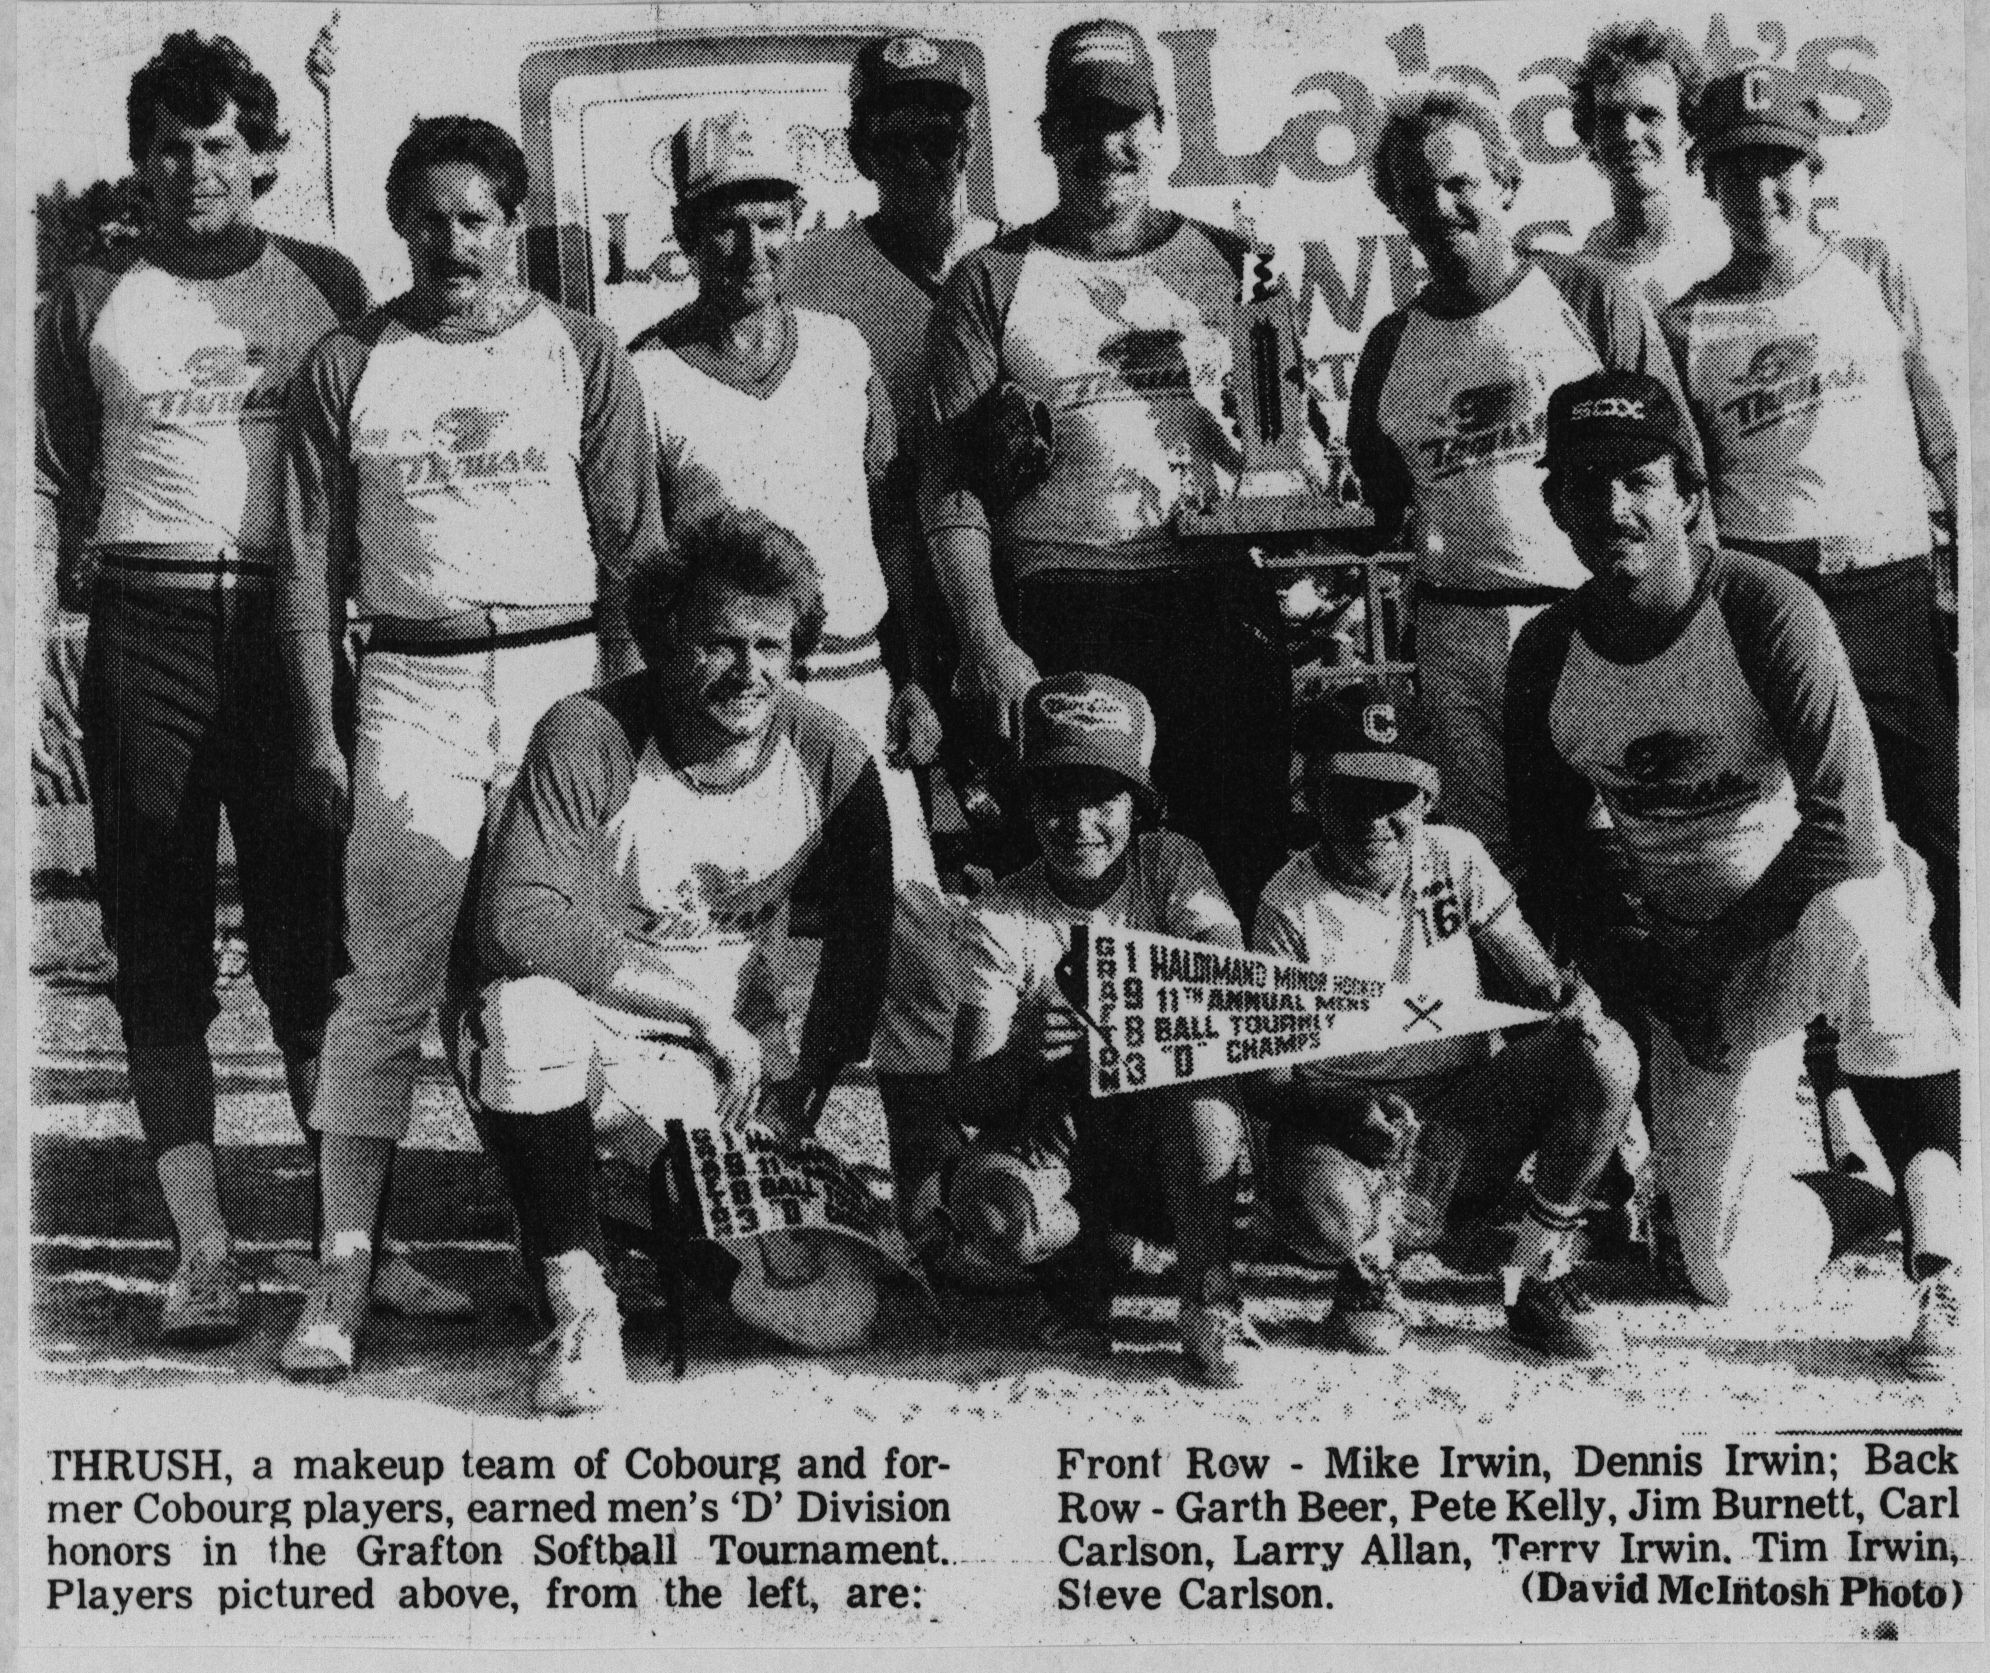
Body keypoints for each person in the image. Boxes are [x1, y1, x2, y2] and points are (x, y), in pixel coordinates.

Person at [32, 31, 457, 1344]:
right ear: (140, 159)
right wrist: (44, 648)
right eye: (170, 144)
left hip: (288, 632)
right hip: (144, 629)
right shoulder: (88, 292)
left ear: (258, 154)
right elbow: (48, 483)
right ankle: (203, 1248)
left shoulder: (320, 280)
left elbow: (378, 456)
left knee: (311, 949)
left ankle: (353, 1242)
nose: (196, 168)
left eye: (219, 142)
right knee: (155, 943)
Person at [277, 116, 661, 1379]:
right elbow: (308, 562)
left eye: (477, 217)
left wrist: (621, 719)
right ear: (400, 222)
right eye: (429, 217)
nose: (454, 240)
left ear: (513, 223)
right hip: (413, 681)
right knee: (382, 984)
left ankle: (563, 1258)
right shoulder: (349, 361)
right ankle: (340, 1263)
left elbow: (633, 553)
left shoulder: (581, 350)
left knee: (540, 971)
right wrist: (319, 728)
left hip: (558, 680)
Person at [1507, 370, 1963, 1378]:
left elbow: (1847, 829)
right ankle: (1863, 1200)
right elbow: (1558, 859)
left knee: (1864, 912)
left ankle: (1944, 1255)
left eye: (1636, 480)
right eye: (1584, 486)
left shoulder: (1762, 603)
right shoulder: (1546, 650)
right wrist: (1648, 978)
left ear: (1687, 490)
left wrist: (1707, 960)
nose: (1613, 509)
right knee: (1724, 1269)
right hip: (1689, 962)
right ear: (1554, 505)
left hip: (1789, 918)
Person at [446, 509, 895, 1412]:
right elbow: (516, 925)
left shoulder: (830, 753)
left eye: (771, 644)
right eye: (718, 643)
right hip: (584, 1029)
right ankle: (576, 1291)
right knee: (530, 1013)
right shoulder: (590, 730)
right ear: (664, 640)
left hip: (715, 1066)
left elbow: (863, 936)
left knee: (829, 1311)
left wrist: (803, 1086)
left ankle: (620, 1210)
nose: (748, 670)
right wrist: (698, 1011)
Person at [634, 104, 962, 1239]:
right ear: (683, 229)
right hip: (732, 701)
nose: (750, 249)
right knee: (743, 944)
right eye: (723, 225)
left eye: (770, 222)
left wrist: (917, 676)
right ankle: (754, 1168)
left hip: (862, 673)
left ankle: (922, 1173)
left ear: (797, 222)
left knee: (912, 929)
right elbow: (645, 571)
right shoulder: (646, 376)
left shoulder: (840, 346)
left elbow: (892, 520)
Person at [924, 18, 1328, 923]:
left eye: (1126, 121)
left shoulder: (1236, 264)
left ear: (1158, 130)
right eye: (1081, 123)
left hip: (1215, 598)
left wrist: (1277, 456)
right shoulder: (988, 279)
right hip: (1069, 605)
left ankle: (1245, 1067)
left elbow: (1290, 447)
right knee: (1080, 885)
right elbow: (949, 490)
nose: (1106, 145)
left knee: (1239, 860)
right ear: (1048, 137)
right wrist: (985, 640)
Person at [1662, 65, 1960, 1001]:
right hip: (1776, 600)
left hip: (1890, 580)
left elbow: (1942, 438)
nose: (1761, 191)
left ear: (1814, 165)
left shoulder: (1874, 271)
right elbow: (1693, 494)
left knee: (1941, 826)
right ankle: (1833, 1079)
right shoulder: (1688, 319)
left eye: (1780, 163)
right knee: (1810, 837)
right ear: (1707, 183)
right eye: (1736, 170)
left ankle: (1964, 1040)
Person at [1347, 87, 1697, 880]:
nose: (1440, 207)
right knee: (1491, 869)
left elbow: (1681, 469)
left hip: (1589, 612)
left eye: (1460, 182)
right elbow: (1373, 508)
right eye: (1414, 191)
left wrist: (1684, 627)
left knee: (1629, 855)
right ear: (1395, 209)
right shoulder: (1389, 345)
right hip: (1457, 630)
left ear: (1505, 184)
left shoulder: (1592, 294)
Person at [1249, 681, 1638, 1360]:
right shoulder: (1288, 900)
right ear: (1310, 796)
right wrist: (1345, 1111)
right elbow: (1268, 1084)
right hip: (1348, 1123)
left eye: (1393, 799)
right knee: (1325, 1215)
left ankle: (1538, 1271)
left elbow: (1538, 977)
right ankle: (1367, 1273)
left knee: (1605, 1049)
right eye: (1349, 796)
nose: (1374, 819)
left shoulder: (1454, 856)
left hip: (1458, 1109)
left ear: (1426, 799)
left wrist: (1569, 1000)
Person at [945, 673, 1261, 1387]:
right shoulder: (1001, 914)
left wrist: (1120, 1019)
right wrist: (1024, 1050)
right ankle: (1076, 1277)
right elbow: (967, 1094)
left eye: (1103, 796)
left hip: (1164, 1140)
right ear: (1027, 803)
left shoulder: (1173, 864)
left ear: (1137, 805)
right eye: (1057, 795)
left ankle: (1207, 1293)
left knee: (1204, 1085)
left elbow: (1232, 992)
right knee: (993, 1212)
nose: (1080, 820)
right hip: (1062, 1140)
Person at [1571, 22, 1726, 310]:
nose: (1629, 133)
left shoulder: (1720, 248)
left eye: (1649, 115)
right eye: (1610, 117)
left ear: (1687, 128)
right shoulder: (1592, 255)